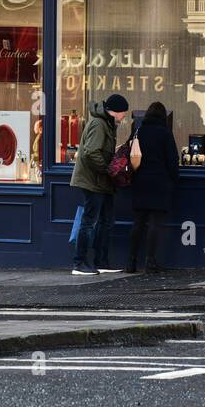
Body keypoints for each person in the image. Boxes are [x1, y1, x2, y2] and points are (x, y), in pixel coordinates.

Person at [69, 93, 128, 275]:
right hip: (92, 181)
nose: (124, 116)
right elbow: (91, 152)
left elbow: (98, 151)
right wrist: (108, 169)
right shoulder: (99, 124)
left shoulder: (108, 125)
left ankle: (101, 262)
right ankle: (79, 264)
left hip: (102, 182)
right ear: (115, 112)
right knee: (89, 222)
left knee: (106, 221)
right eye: (123, 112)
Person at [128, 102, 178, 274]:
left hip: (140, 181)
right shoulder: (165, 134)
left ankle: (131, 261)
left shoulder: (138, 131)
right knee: (154, 223)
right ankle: (150, 261)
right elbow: (173, 161)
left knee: (138, 222)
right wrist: (172, 180)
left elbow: (130, 154)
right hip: (159, 182)